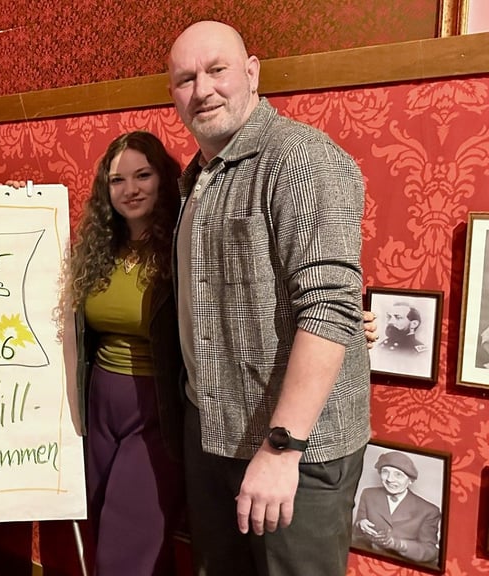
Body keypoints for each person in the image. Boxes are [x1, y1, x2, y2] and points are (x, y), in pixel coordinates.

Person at [168, 21, 370, 576]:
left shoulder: (298, 158)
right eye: (186, 78)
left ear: (252, 73)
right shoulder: (197, 178)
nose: (202, 89)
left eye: (216, 70)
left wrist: (282, 448)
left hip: (295, 454)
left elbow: (329, 307)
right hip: (214, 437)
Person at [53, 131, 184, 575]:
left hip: (156, 413)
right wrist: (27, 210)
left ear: (162, 178)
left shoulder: (183, 247)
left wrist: (340, 321)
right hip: (96, 409)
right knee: (112, 537)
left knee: (124, 549)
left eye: (142, 175)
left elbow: (237, 302)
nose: (130, 190)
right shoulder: (97, 251)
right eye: (117, 180)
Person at [353, 451, 441, 567]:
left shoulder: (429, 510)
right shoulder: (368, 494)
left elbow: (430, 552)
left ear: (410, 480)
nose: (390, 479)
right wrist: (360, 524)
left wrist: (397, 544)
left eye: (398, 474)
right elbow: (354, 535)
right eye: (385, 472)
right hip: (369, 561)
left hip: (405, 566)